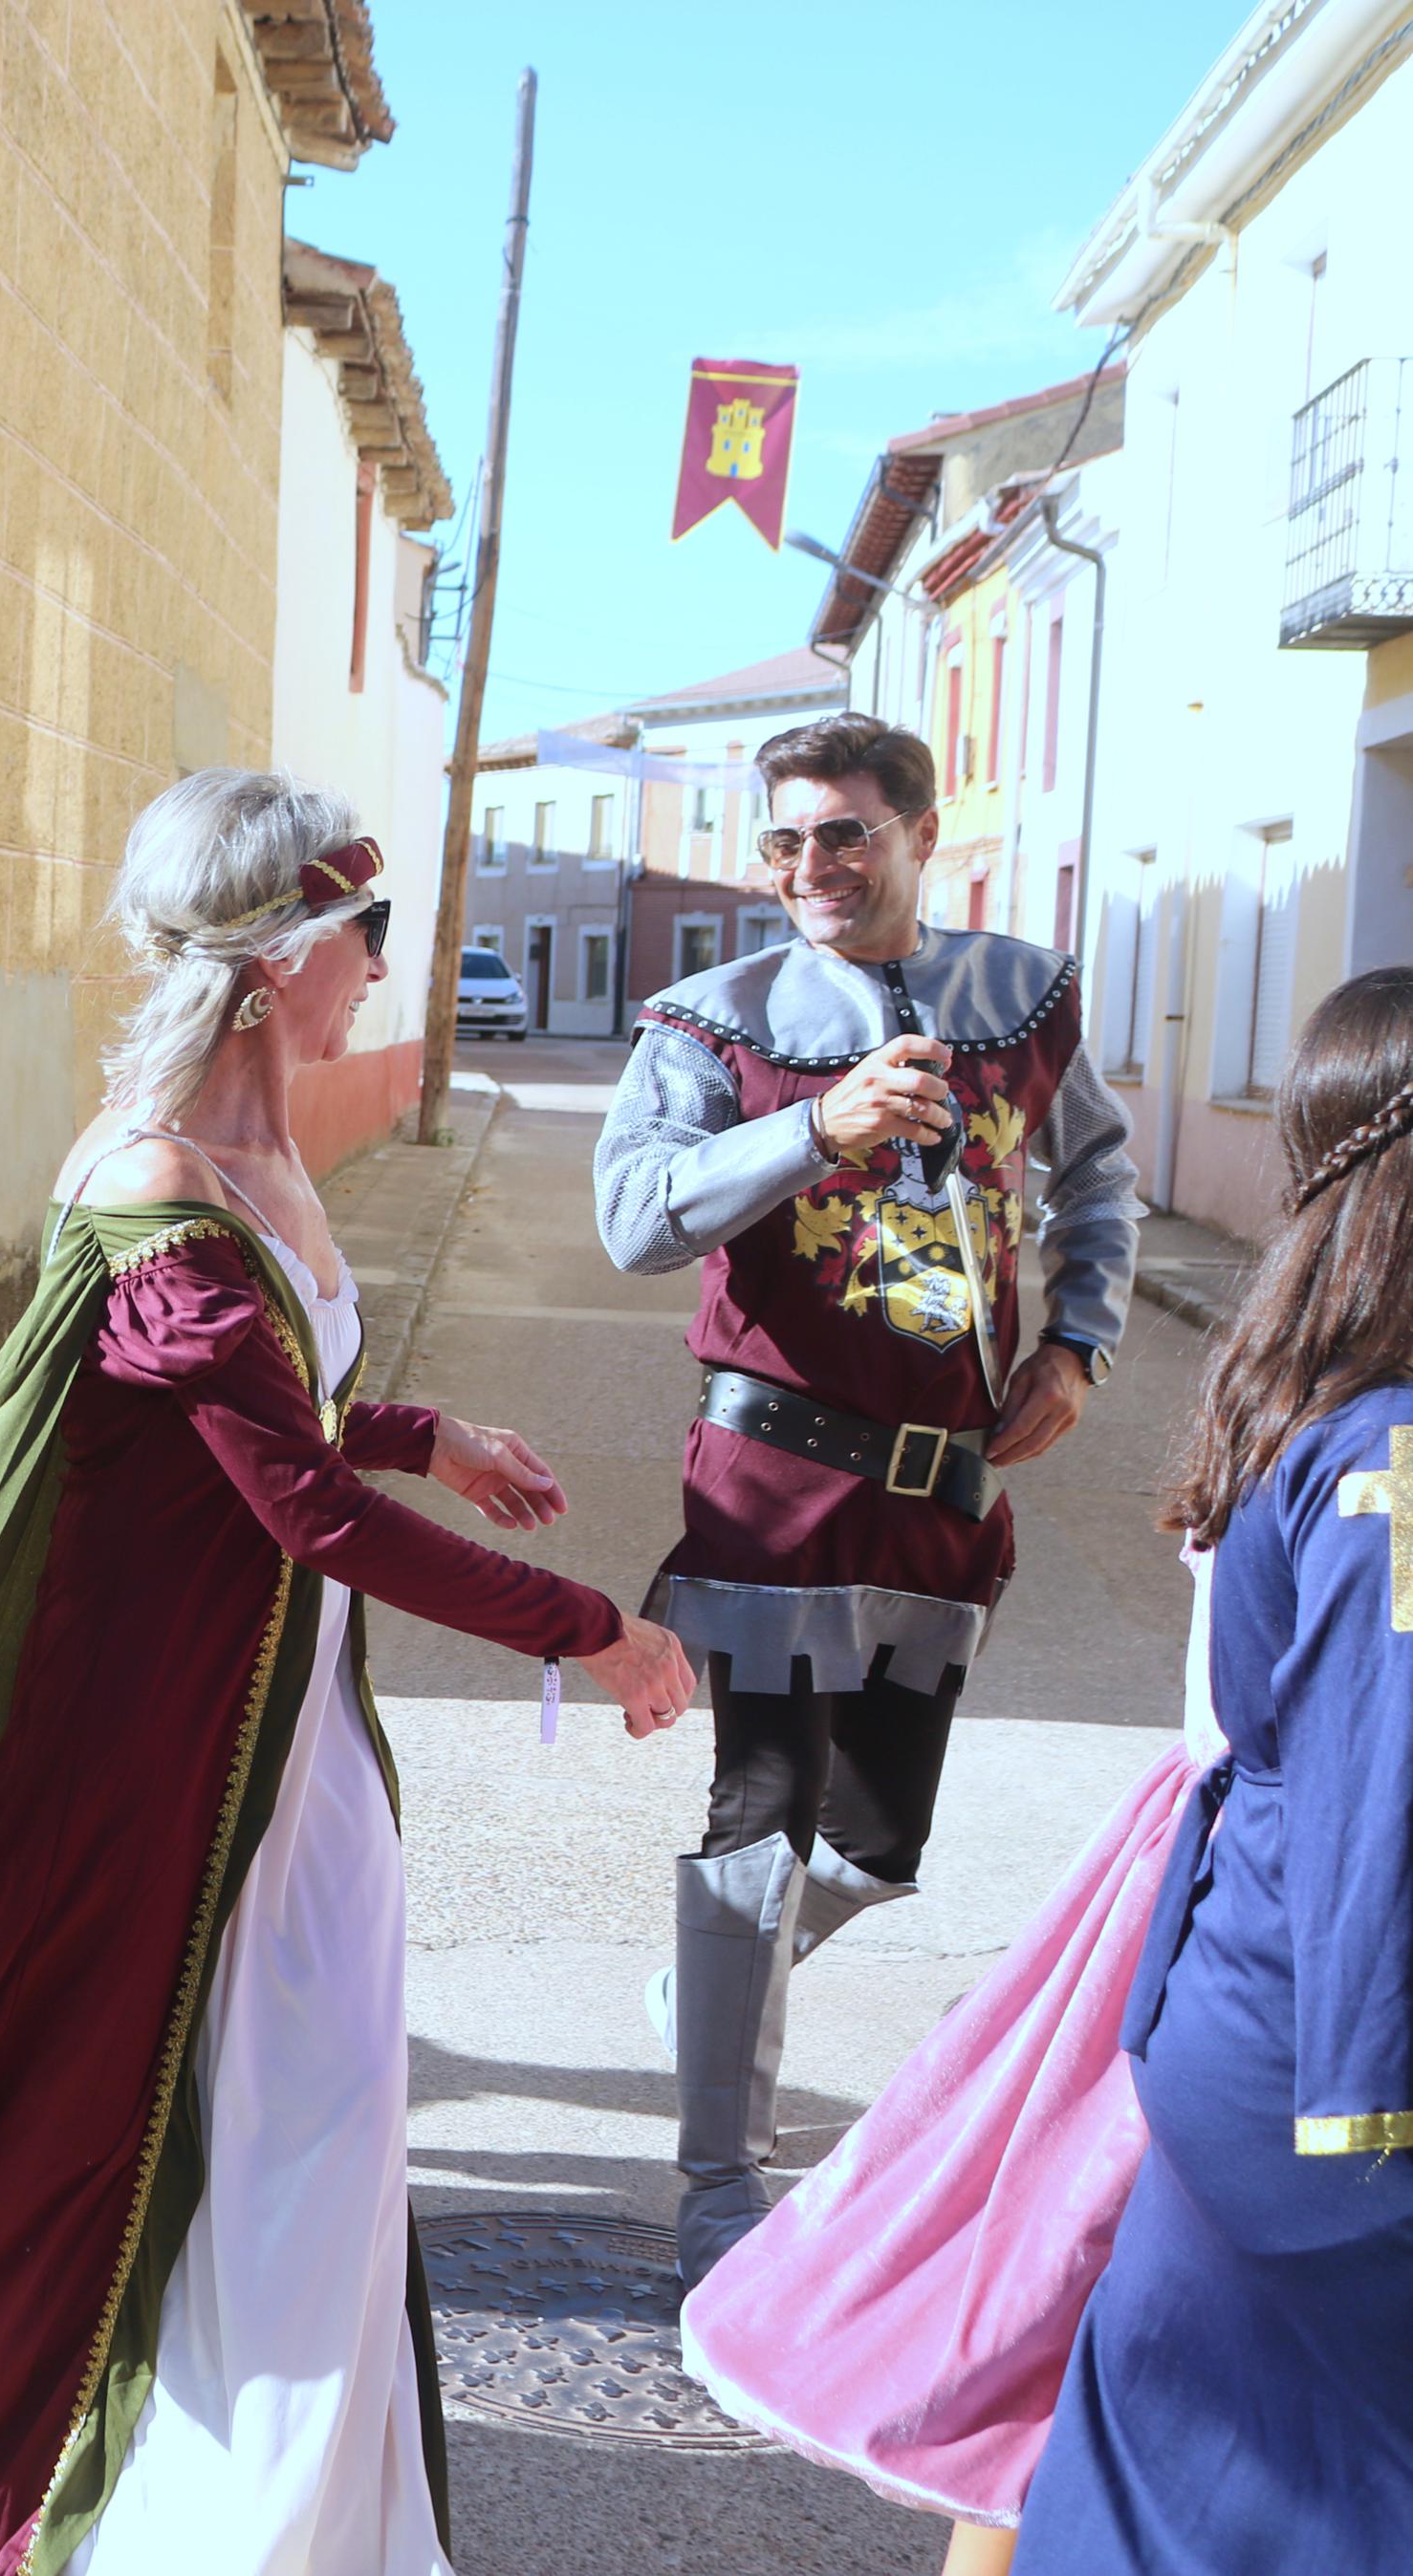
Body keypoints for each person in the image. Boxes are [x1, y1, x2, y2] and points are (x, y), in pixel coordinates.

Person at [0, 771, 693, 2572]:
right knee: (12, 2071)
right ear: (282, 963)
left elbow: (299, 1405)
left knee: (288, 2081)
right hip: (139, 1724)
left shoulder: (267, 1163)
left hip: (279, 1714)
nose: (377, 966)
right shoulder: (151, 1182)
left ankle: (241, 2405)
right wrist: (592, 1629)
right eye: (361, 934)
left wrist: (430, 1435)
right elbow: (298, 1503)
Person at [593, 710, 1140, 2285]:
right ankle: (715, 2193)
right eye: (781, 841)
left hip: (944, 1491)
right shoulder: (711, 1021)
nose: (809, 867)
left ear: (915, 834)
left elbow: (1092, 1172)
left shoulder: (1017, 997)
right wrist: (806, 1128)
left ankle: (710, 1982)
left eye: (841, 833)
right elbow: (633, 1220)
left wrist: (1084, 1340)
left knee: (878, 1843)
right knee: (753, 1819)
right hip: (770, 1484)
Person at [1013, 965, 1413, 2570]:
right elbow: (1377, 1820)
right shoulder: (1392, 1458)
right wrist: (1369, 2125)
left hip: (1256, 2035)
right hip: (1338, 2080)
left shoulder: (1326, 1399)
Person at [681, 1539, 1216, 2576]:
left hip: (1225, 1872)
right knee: (1065, 2300)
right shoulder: (1381, 1448)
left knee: (1062, 2303)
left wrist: (1068, 1359)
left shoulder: (1353, 1434)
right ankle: (713, 2165)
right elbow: (1372, 1711)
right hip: (1264, 1892)